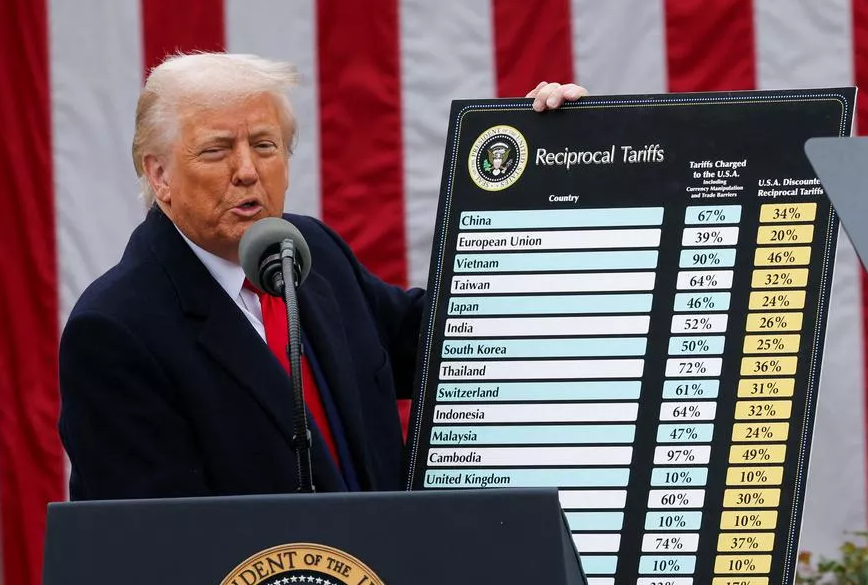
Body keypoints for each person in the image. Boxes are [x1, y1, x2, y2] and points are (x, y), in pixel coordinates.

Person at [57, 53, 586, 500]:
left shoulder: (310, 251)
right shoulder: (115, 330)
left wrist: (546, 165)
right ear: (159, 175)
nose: (247, 170)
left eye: (264, 145)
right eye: (217, 150)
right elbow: (154, 546)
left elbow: (447, 340)